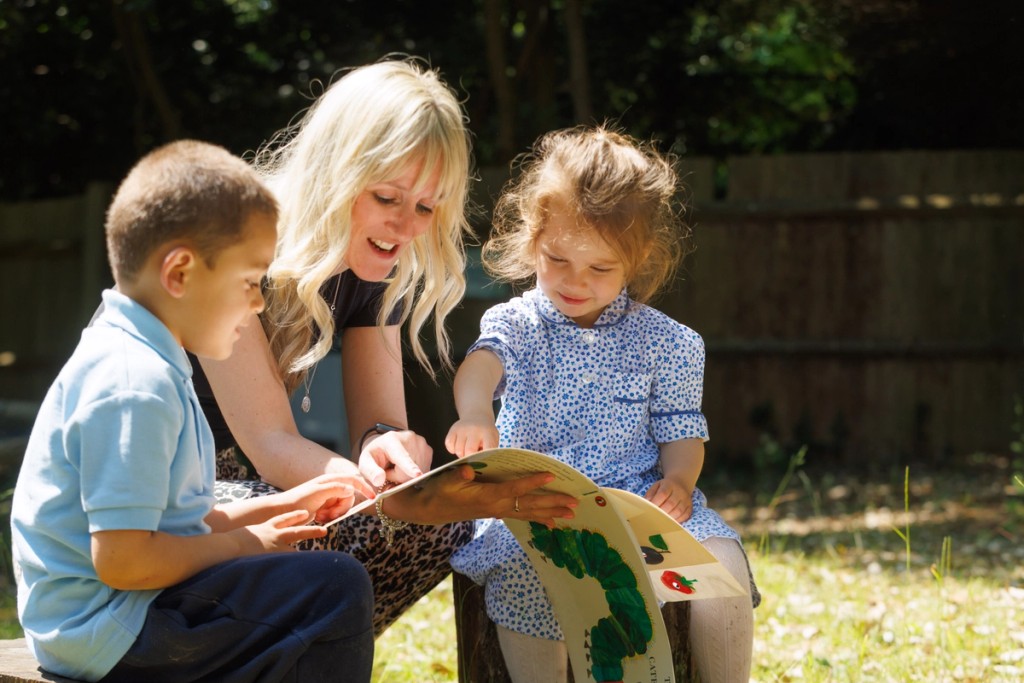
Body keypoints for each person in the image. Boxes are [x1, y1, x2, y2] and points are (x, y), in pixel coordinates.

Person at [194, 56, 578, 635]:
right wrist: (386, 492)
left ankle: (293, 662)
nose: (405, 226)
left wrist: (391, 456)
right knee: (336, 526)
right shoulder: (229, 242)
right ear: (335, 172)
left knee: (439, 527)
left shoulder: (375, 266)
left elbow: (377, 424)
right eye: (388, 197)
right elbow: (271, 442)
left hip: (246, 483)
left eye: (426, 207)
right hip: (147, 498)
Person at [10, 140, 375, 682]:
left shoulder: (144, 357)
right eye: (251, 283)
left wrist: (278, 508)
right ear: (179, 273)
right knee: (334, 588)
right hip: (111, 627)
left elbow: (169, 523)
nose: (258, 305)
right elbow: (125, 560)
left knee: (310, 582)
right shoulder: (136, 384)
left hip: (113, 616)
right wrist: (246, 544)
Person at [445, 125, 761, 683]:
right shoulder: (517, 324)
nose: (574, 281)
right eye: (558, 258)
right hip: (538, 512)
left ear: (636, 262)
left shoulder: (668, 342)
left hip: (637, 508)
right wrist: (474, 412)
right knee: (529, 576)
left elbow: (682, 429)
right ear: (533, 240)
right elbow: (482, 364)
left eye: (600, 268)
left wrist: (680, 483)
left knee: (723, 569)